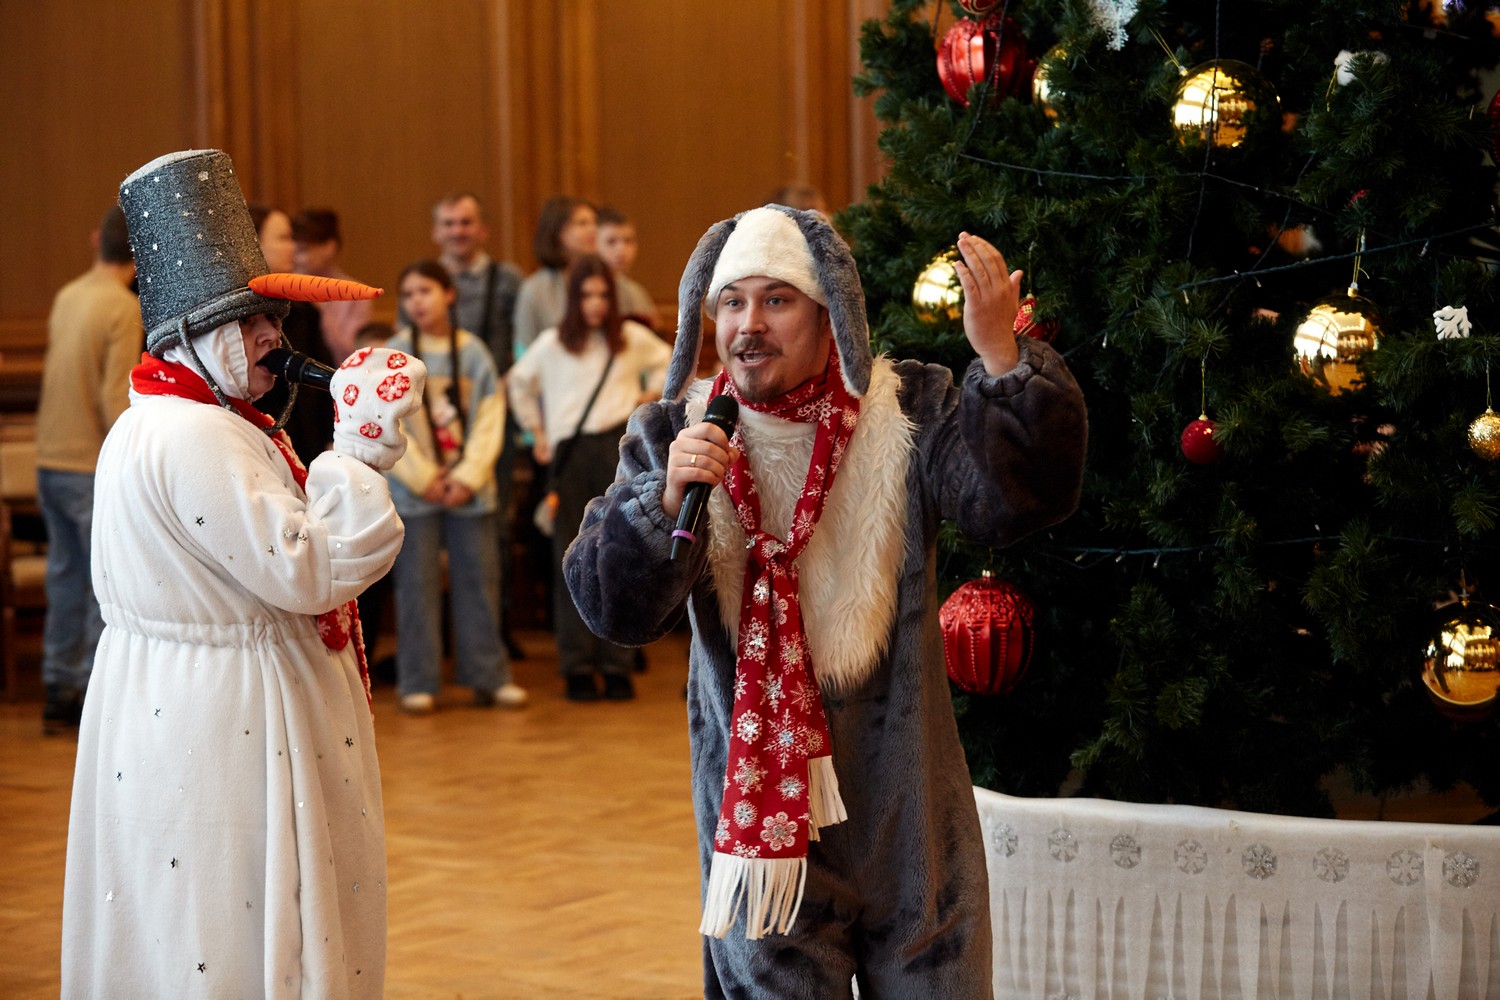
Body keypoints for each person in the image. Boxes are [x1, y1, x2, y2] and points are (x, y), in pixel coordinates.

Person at [564, 206, 1087, 996]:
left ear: (828, 315)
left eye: (776, 301)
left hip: (909, 827)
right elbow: (614, 610)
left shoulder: (907, 411)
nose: (748, 325)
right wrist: (663, 500)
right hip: (759, 843)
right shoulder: (675, 435)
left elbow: (1016, 504)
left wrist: (1001, 360)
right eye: (732, 303)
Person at [62, 148, 425, 997]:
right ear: (188, 336)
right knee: (227, 918)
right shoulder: (196, 436)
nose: (272, 337)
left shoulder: (167, 418)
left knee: (185, 912)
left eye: (271, 318)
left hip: (184, 700)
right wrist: (359, 452)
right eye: (247, 322)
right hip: (225, 718)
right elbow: (309, 570)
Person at [507, 254, 670, 701]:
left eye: (603, 295)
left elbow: (670, 362)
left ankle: (617, 664)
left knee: (621, 554)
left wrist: (648, 394)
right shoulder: (552, 344)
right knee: (573, 556)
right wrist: (537, 433)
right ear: (573, 299)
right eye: (586, 295)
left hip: (618, 448)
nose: (596, 303)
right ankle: (577, 665)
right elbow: (519, 383)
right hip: (572, 454)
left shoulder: (629, 339)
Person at [384, 260, 525, 713]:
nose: (416, 302)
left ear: (448, 294)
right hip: (415, 492)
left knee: (479, 583)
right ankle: (418, 680)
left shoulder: (474, 352)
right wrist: (424, 477)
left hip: (470, 490)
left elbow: (489, 419)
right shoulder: (393, 355)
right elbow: (385, 423)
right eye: (408, 294)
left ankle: (489, 676)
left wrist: (466, 477)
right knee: (416, 587)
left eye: (425, 291)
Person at [34, 205, 142, 734]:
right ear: (139, 255)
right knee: (103, 583)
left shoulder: (69, 295)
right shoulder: (123, 307)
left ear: (97, 241)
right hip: (89, 465)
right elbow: (113, 398)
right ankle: (93, 692)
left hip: (50, 458)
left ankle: (58, 687)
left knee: (64, 574)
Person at [428, 191, 526, 659]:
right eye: (449, 223)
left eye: (465, 222)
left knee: (494, 524)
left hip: (492, 417)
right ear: (436, 232)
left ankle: (496, 631)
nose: (458, 231)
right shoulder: (425, 282)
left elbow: (521, 347)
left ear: (482, 229)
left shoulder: (506, 280)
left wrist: (497, 394)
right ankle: (448, 637)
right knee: (436, 526)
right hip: (436, 421)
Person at [248, 203, 337, 466]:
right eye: (284, 238)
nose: (294, 247)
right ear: (253, 243)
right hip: (258, 446)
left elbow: (324, 386)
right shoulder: (231, 318)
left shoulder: (304, 310)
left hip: (308, 448)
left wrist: (332, 439)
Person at [511, 195, 598, 353]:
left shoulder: (607, 281)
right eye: (582, 223)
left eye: (594, 223)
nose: (593, 230)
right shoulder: (535, 289)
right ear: (558, 231)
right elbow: (523, 347)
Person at [292, 206, 372, 361]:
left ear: (329, 247)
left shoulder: (356, 293)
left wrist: (317, 308)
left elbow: (352, 352)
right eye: (293, 250)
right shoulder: (283, 290)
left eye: (303, 250)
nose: (296, 258)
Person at [595, 205, 656, 326]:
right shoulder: (587, 289)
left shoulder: (636, 291)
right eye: (611, 241)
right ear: (593, 244)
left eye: (628, 241)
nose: (621, 250)